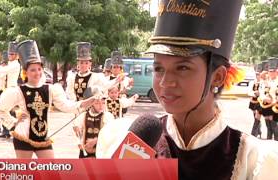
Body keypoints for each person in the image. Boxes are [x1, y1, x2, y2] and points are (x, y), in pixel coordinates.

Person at [97, 0, 278, 179]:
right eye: (158, 68)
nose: (165, 82)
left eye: (182, 68)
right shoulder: (130, 141)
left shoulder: (251, 161)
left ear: (218, 76)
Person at [0, 40, 96, 158]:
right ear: (25, 72)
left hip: (43, 138)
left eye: (39, 69)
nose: (37, 73)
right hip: (23, 137)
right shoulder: (18, 92)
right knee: (24, 173)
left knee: (50, 171)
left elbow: (66, 106)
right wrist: (13, 123)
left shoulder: (50, 90)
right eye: (32, 70)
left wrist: (87, 102)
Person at [248, 72, 262, 137]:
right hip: (253, 100)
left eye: (258, 75)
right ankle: (258, 130)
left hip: (260, 101)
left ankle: (255, 132)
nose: (257, 76)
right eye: (256, 75)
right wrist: (254, 93)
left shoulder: (262, 83)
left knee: (257, 115)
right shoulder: (252, 82)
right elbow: (249, 92)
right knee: (255, 116)